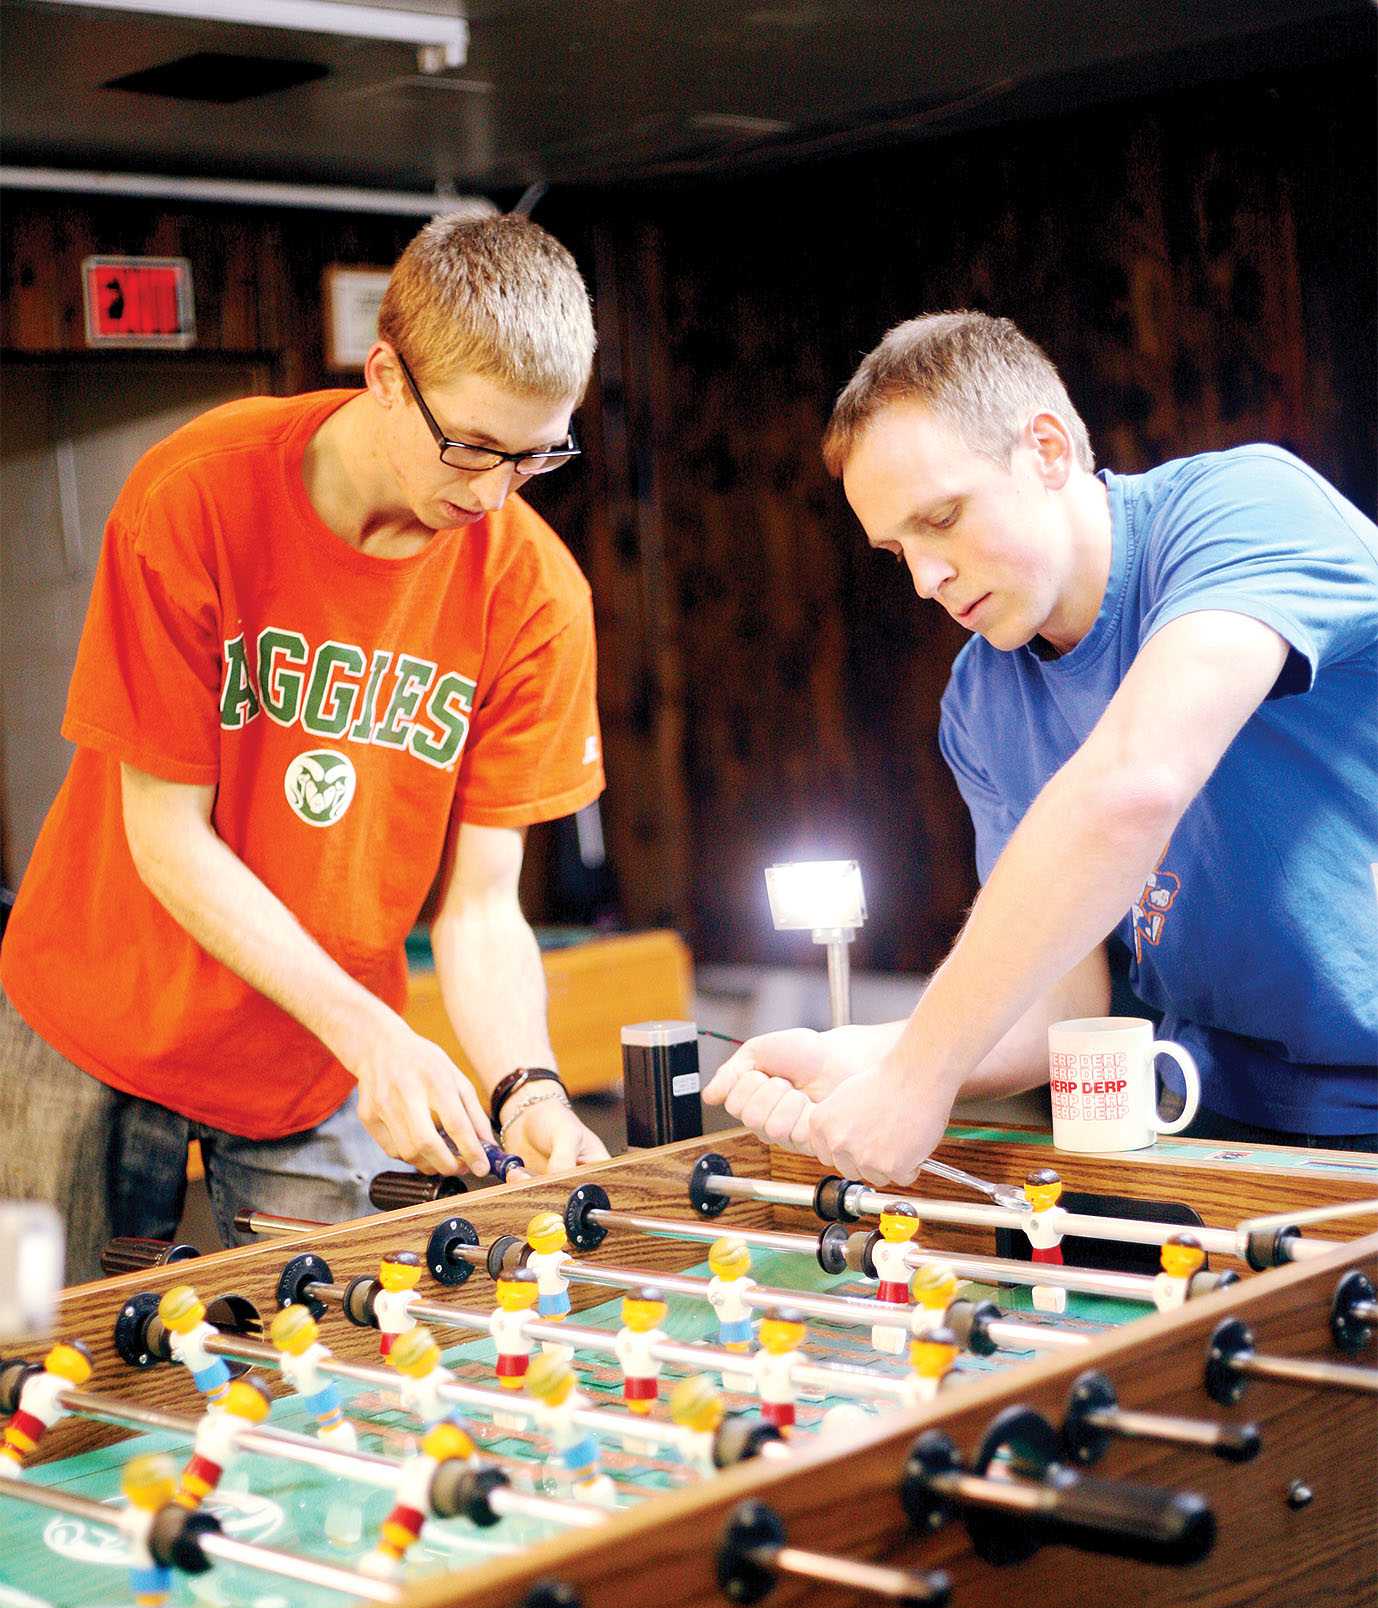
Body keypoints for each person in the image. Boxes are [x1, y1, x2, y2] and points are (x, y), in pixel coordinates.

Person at [0, 212, 609, 1282]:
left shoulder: (536, 594)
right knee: (30, 1361)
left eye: (533, 456)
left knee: (339, 1364)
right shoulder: (195, 493)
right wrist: (375, 1033)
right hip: (84, 1023)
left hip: (306, 1066)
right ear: (384, 373)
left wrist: (531, 1085)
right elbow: (165, 837)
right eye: (468, 445)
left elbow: (478, 907)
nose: (488, 494)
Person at [705, 311, 1378, 1183]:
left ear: (1049, 451)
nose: (924, 579)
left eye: (941, 519)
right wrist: (867, 1056)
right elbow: (1056, 1002)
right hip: (1219, 1123)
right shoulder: (980, 700)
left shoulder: (1246, 508)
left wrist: (920, 1077)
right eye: (896, 549)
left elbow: (1132, 786)